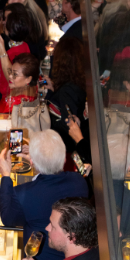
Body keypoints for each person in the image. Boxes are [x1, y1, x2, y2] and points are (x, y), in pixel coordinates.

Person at [0, 131, 90, 260]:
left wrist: (6, 176)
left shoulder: (23, 194)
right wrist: (41, 159)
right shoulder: (79, 181)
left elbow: (8, 219)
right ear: (64, 158)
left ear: (31, 161)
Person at [0, 4, 41, 111]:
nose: (3, 22)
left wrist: (2, 52)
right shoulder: (24, 45)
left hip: (11, 100)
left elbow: (10, 79)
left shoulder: (13, 52)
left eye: (6, 20)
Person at [46, 37, 89, 165]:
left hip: (64, 153)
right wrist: (54, 91)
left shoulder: (67, 90)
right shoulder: (78, 84)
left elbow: (68, 126)